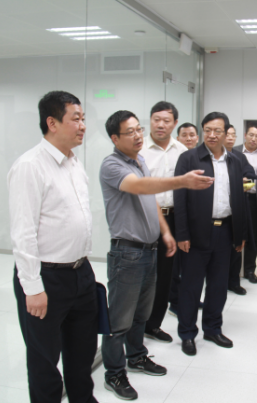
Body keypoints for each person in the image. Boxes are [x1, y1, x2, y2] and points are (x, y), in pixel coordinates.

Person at [99, 110, 213, 400]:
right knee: (119, 321)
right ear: (115, 138)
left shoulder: (139, 161)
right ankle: (114, 373)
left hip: (149, 249)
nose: (138, 135)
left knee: (142, 314)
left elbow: (149, 199)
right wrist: (181, 181)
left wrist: (165, 232)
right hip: (127, 252)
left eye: (139, 129)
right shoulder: (112, 164)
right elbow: (139, 187)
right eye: (130, 132)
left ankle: (136, 356)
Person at [9, 91, 98, 403]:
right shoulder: (30, 166)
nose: (83, 125)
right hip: (46, 277)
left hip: (81, 272)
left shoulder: (74, 162)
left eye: (83, 118)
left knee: (82, 354)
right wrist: (33, 287)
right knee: (45, 360)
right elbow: (23, 233)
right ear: (52, 122)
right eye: (76, 118)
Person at [174, 112, 249, 356]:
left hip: (225, 231)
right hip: (196, 233)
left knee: (218, 285)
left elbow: (239, 199)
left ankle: (212, 328)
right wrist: (182, 234)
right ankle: (187, 333)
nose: (212, 135)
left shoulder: (235, 161)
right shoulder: (189, 158)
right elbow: (179, 197)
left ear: (226, 133)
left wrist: (240, 234)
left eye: (217, 131)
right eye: (207, 130)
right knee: (191, 286)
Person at [139, 101, 187, 343]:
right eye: (156, 119)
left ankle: (153, 325)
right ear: (150, 120)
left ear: (175, 123)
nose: (160, 125)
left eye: (166, 121)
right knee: (142, 274)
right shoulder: (139, 149)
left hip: (174, 217)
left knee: (166, 275)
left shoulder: (182, 151)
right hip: (145, 218)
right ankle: (134, 326)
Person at [233, 122, 257, 284]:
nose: (253, 139)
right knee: (234, 235)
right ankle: (233, 272)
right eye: (251, 135)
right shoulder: (233, 151)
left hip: (254, 200)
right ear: (245, 135)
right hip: (236, 200)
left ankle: (249, 270)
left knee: (253, 237)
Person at [224, 125, 257, 295]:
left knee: (237, 247)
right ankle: (220, 281)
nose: (230, 137)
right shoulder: (214, 157)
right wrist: (237, 181)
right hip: (218, 210)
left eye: (233, 135)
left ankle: (234, 282)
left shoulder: (239, 156)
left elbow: (251, 177)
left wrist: (241, 182)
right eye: (227, 134)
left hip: (238, 208)